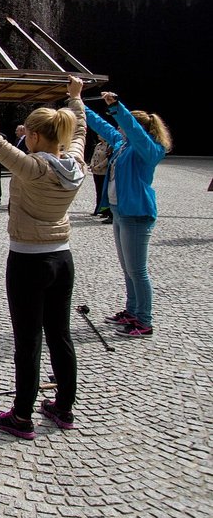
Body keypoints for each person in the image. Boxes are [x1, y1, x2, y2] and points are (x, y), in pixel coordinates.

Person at [0, 71, 86, 440]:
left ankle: (21, 417)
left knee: (28, 341)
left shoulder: (32, 167)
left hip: (28, 260)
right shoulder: (75, 164)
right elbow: (79, 133)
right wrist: (75, 98)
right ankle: (64, 408)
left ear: (32, 136)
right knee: (60, 335)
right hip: (63, 259)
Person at [85, 92, 172, 338]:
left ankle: (144, 321)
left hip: (137, 214)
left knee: (138, 271)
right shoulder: (123, 145)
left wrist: (117, 108)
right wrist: (78, 103)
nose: (118, 129)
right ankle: (132, 311)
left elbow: (132, 131)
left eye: (123, 126)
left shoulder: (150, 150)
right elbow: (102, 126)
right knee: (128, 268)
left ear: (136, 130)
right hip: (120, 211)